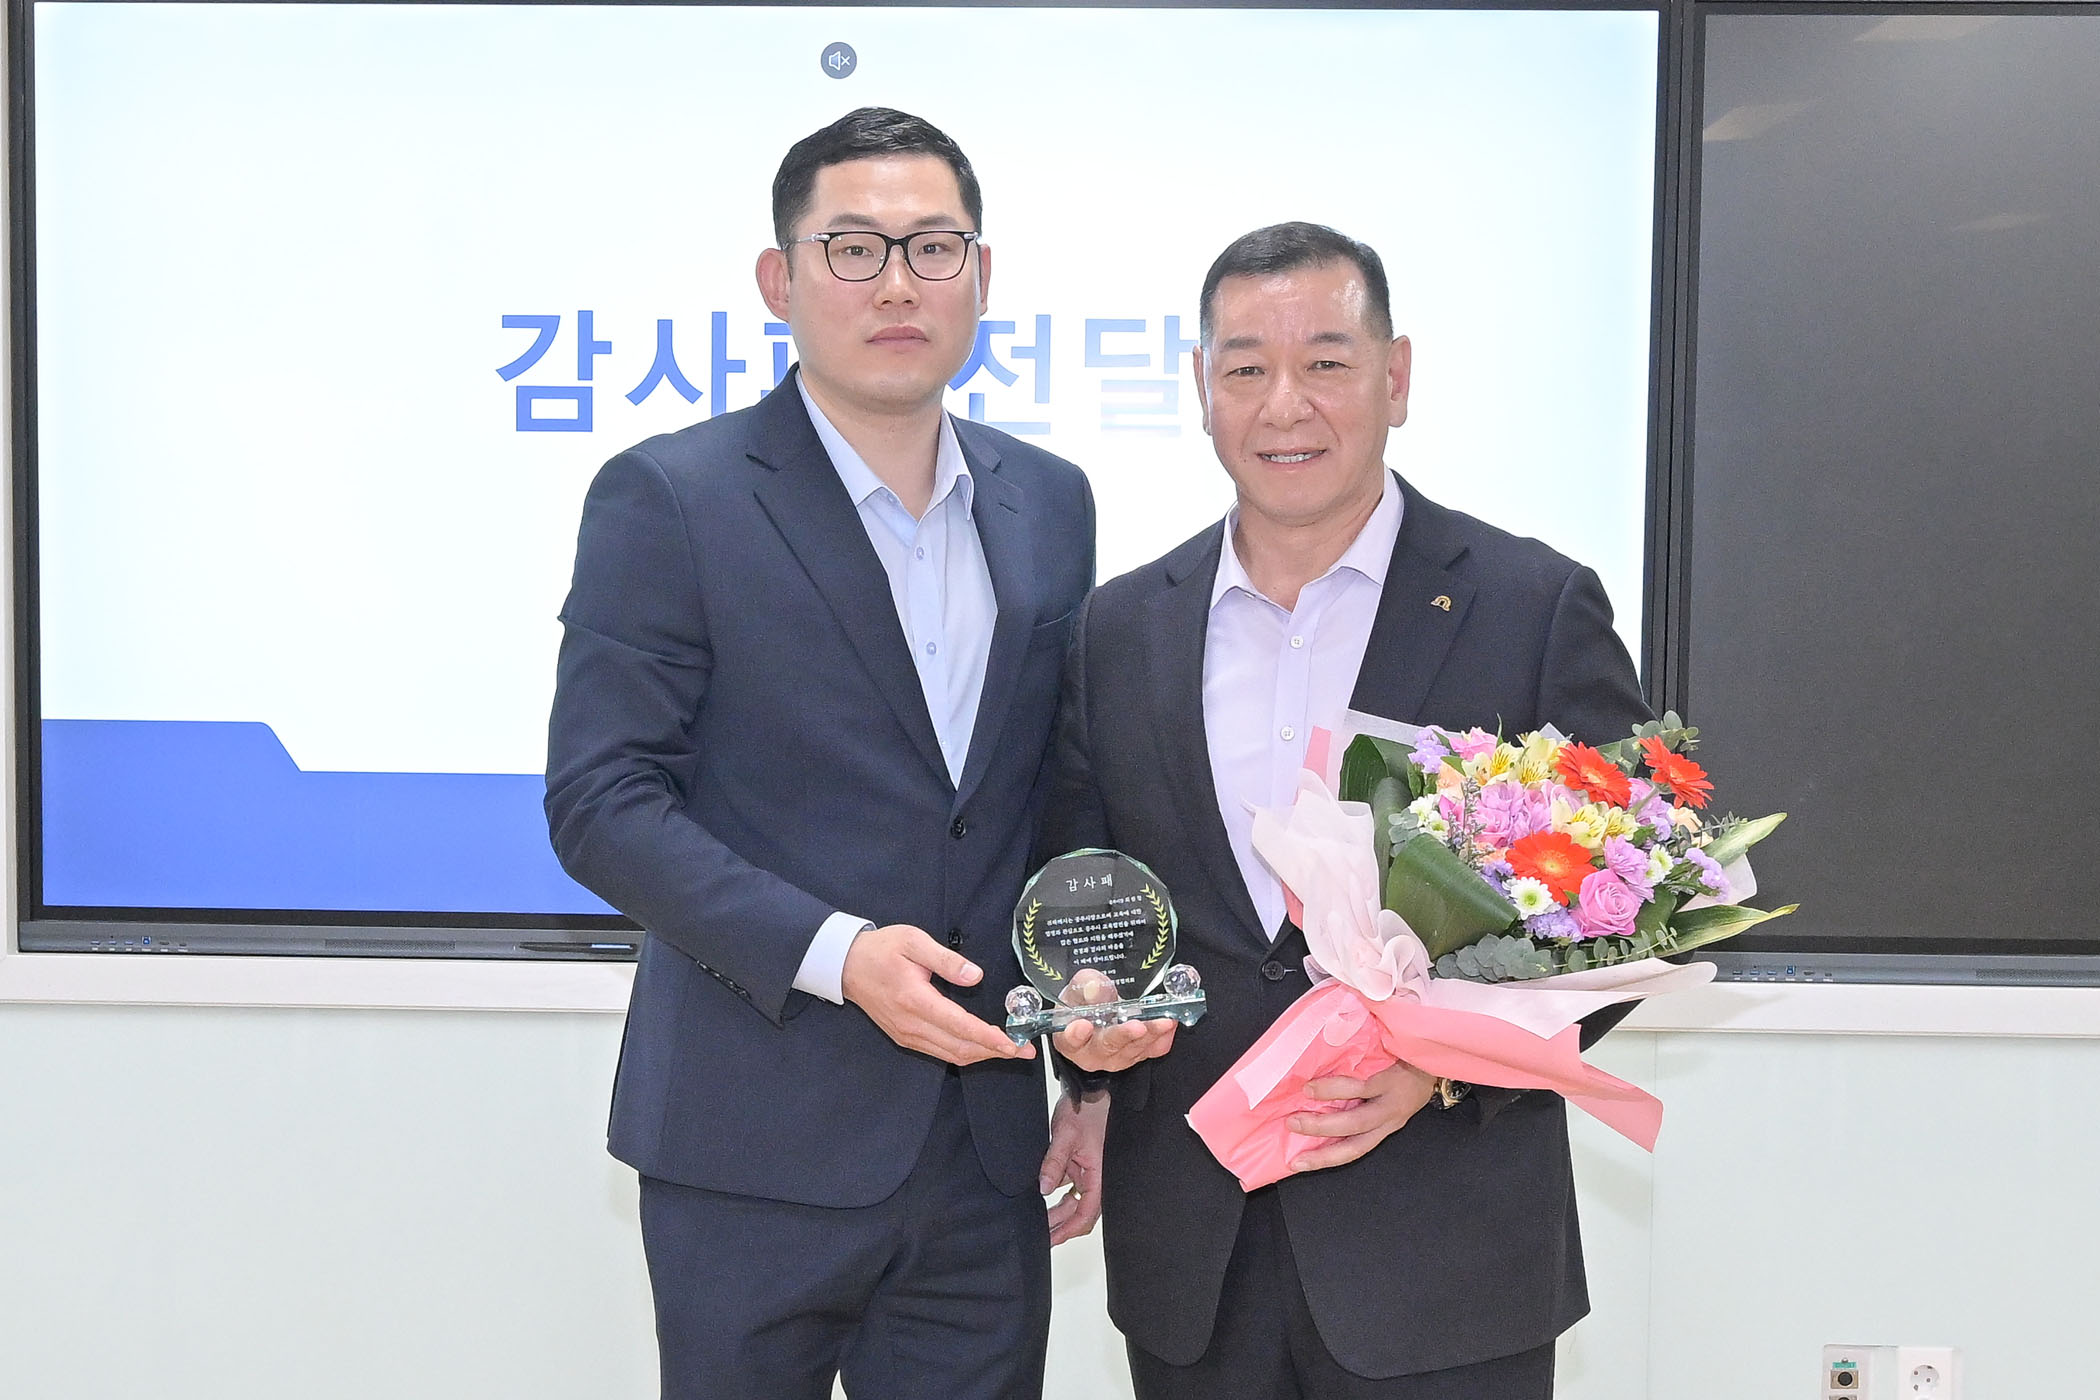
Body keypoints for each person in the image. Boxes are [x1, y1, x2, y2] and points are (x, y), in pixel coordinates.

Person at [545, 107, 1109, 1400]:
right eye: (853, 248)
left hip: (983, 1155)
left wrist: (1086, 1066)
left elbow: (1055, 800)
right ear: (778, 279)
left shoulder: (1049, 501)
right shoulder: (672, 497)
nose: (898, 283)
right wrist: (837, 954)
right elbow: (600, 800)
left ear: (982, 276)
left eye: (934, 247)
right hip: (751, 1144)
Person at [1041, 222, 1652, 1400]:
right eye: (1246, 367)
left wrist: (1449, 1067)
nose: (1286, 404)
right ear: (1202, 388)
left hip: (1445, 1252)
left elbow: (1630, 901)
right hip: (1196, 1256)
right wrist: (1090, 1042)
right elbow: (1083, 880)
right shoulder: (1119, 628)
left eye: (1326, 361)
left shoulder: (1527, 604)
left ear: (1396, 376)